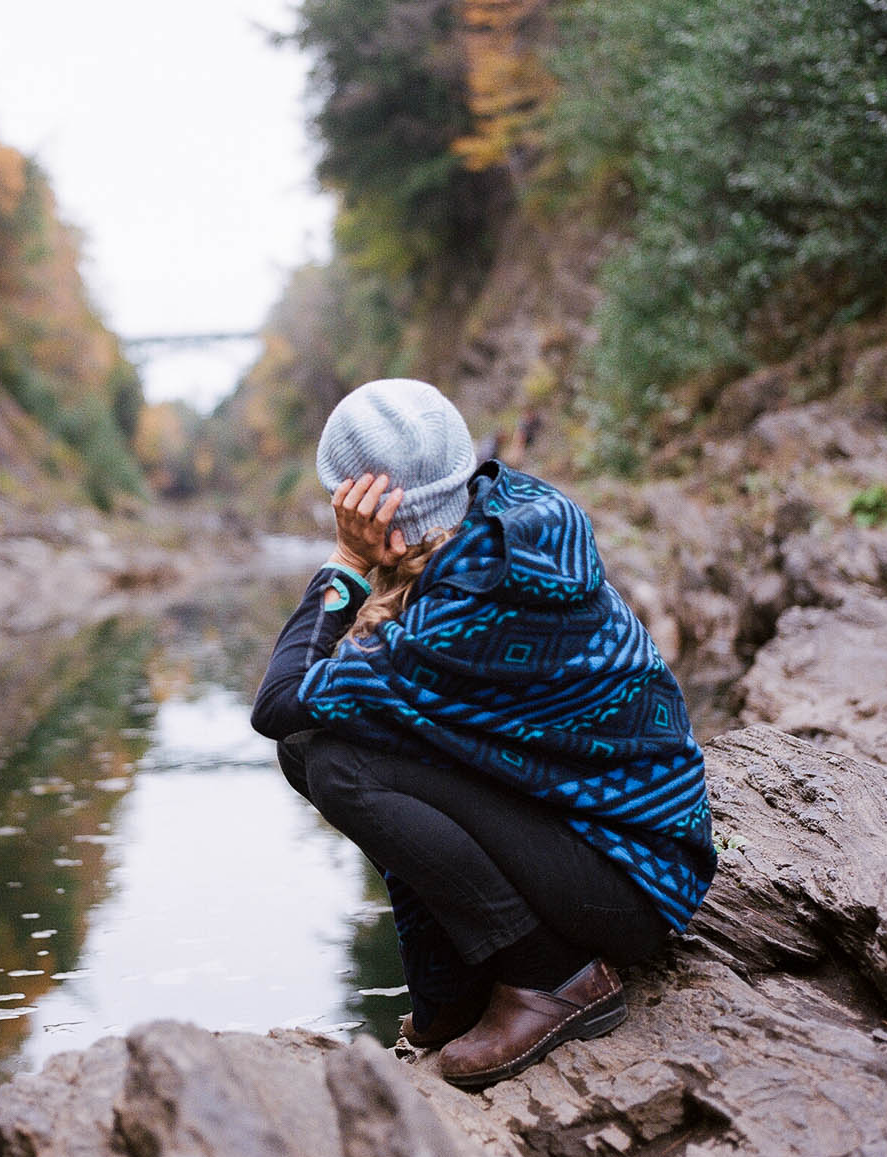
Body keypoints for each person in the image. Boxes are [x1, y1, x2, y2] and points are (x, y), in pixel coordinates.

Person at [251, 378, 716, 1090]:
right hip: (639, 844)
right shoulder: (516, 510)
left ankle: (550, 977)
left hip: (631, 883)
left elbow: (280, 702)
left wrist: (345, 561)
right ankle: (463, 985)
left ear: (363, 508)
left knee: (333, 761)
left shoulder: (457, 613)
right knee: (354, 743)